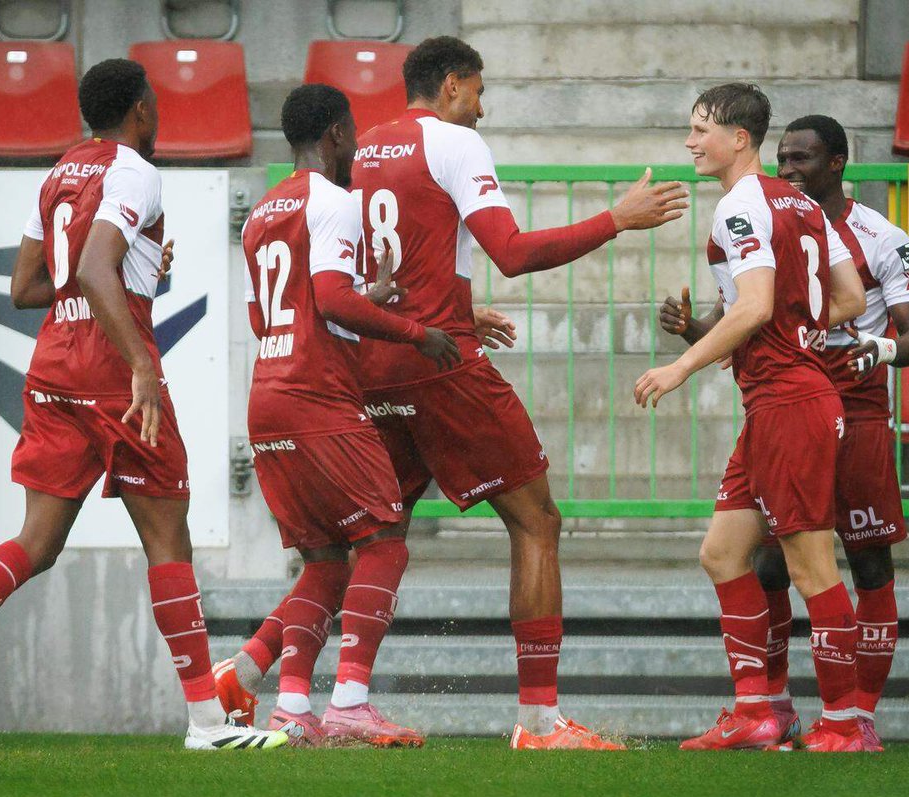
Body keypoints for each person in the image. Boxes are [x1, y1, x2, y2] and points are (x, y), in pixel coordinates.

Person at [0, 58, 286, 751]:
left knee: (36, 542)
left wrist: (135, 269)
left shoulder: (59, 173)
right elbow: (94, 266)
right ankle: (206, 722)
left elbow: (26, 286)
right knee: (168, 538)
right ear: (140, 109)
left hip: (54, 369)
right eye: (154, 104)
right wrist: (141, 362)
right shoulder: (134, 169)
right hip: (112, 374)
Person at [347, 35, 688, 750]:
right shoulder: (456, 143)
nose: (483, 108)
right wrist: (616, 219)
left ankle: (302, 689)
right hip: (440, 364)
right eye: (478, 91)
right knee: (536, 520)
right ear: (451, 84)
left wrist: (454, 305)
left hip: (375, 362)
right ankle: (537, 720)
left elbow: (377, 268)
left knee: (375, 537)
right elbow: (511, 252)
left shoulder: (366, 146)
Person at [662, 114, 909, 750]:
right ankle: (767, 707)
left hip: (842, 406)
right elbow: (755, 313)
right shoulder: (789, 212)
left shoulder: (874, 235)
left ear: (837, 162)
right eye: (785, 157)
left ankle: (852, 717)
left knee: (856, 563)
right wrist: (698, 331)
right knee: (744, 557)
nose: (791, 168)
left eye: (802, 158)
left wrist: (877, 347)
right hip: (787, 399)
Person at [635, 83, 870, 752]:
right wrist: (798, 327)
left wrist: (682, 365)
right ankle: (754, 712)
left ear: (739, 139)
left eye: (700, 129)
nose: (690, 142)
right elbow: (851, 297)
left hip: (789, 402)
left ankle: (845, 723)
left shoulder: (740, 204)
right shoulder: (802, 203)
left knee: (812, 567)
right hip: (777, 399)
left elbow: (756, 305)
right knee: (722, 553)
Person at [224, 83, 459, 748]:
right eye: (352, 133)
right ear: (334, 135)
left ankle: (292, 708)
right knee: (384, 539)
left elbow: (270, 314)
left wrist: (364, 298)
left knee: (324, 562)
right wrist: (415, 332)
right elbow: (328, 300)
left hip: (268, 395)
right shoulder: (334, 201)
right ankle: (351, 701)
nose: (356, 146)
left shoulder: (262, 211)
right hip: (316, 397)